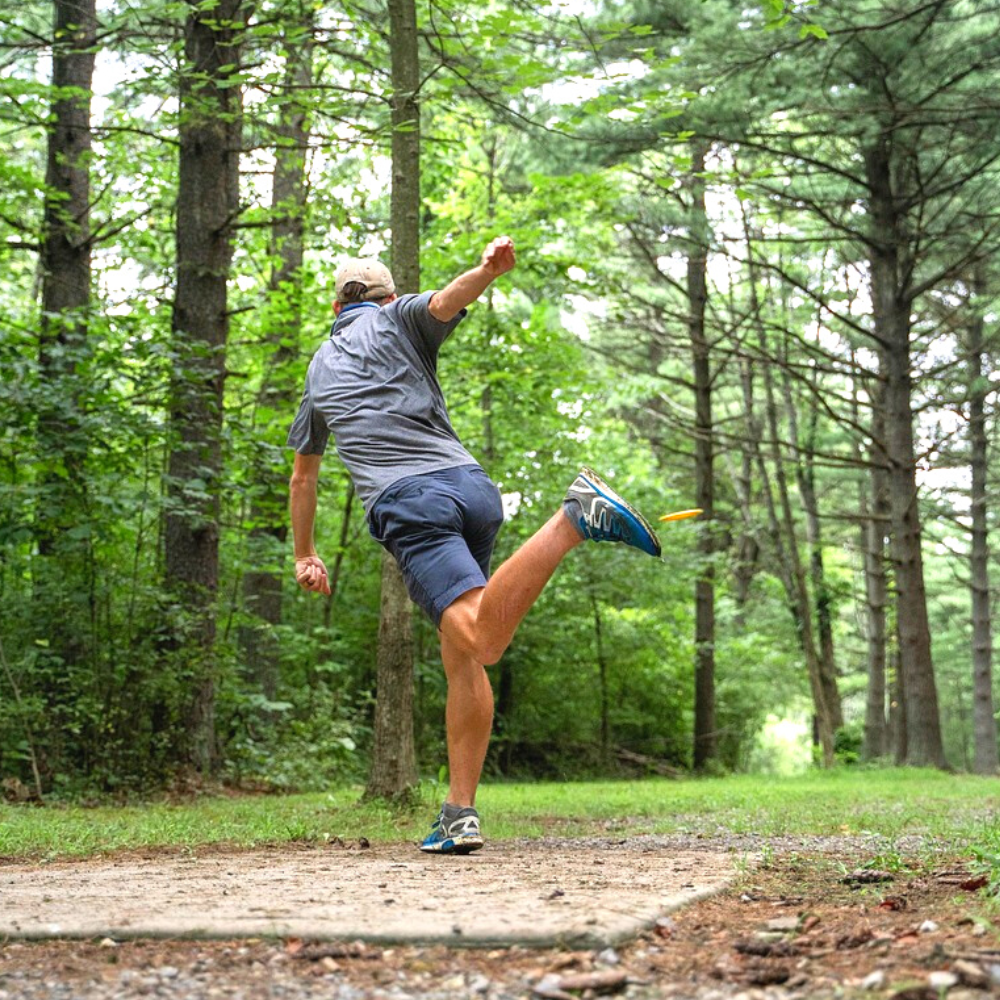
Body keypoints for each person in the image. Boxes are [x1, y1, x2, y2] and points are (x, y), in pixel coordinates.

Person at [287, 236, 661, 855]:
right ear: (387, 296)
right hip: (472, 490)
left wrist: (306, 553)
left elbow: (304, 477)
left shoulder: (319, 368)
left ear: (335, 308)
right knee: (462, 653)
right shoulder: (401, 318)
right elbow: (443, 301)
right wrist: (487, 271)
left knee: (482, 639)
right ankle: (459, 813)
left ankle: (572, 520)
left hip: (411, 504)